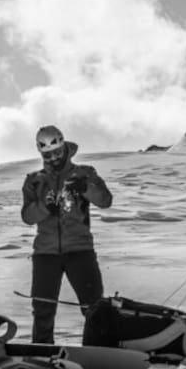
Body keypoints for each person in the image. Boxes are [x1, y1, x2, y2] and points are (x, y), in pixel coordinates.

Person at [20, 125, 113, 344]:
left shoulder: (85, 172)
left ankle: (99, 351)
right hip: (45, 253)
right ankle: (42, 351)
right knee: (43, 308)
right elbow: (27, 216)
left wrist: (85, 187)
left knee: (93, 306)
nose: (53, 158)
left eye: (57, 153)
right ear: (40, 153)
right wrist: (45, 207)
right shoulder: (34, 180)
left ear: (64, 147)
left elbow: (105, 201)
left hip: (80, 250)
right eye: (47, 155)